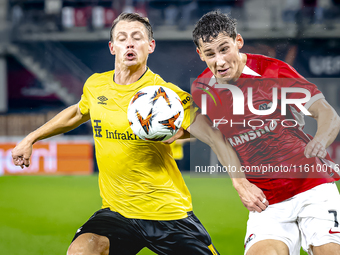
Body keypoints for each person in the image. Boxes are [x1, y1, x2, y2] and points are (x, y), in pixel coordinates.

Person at [11, 12, 267, 255]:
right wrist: (31, 138)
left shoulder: (168, 97)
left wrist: (239, 180)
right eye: (122, 39)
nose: (129, 44)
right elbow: (77, 113)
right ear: (112, 47)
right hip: (117, 213)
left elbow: (213, 135)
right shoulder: (96, 85)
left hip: (168, 213)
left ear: (151, 46)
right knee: (81, 250)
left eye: (137, 37)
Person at [191, 10, 340, 255]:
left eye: (224, 49)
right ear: (200, 54)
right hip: (267, 202)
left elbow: (328, 114)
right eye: (210, 54)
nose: (219, 61)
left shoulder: (274, 73)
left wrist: (321, 140)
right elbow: (215, 137)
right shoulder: (203, 89)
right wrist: (239, 183)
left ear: (238, 41)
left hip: (312, 186)